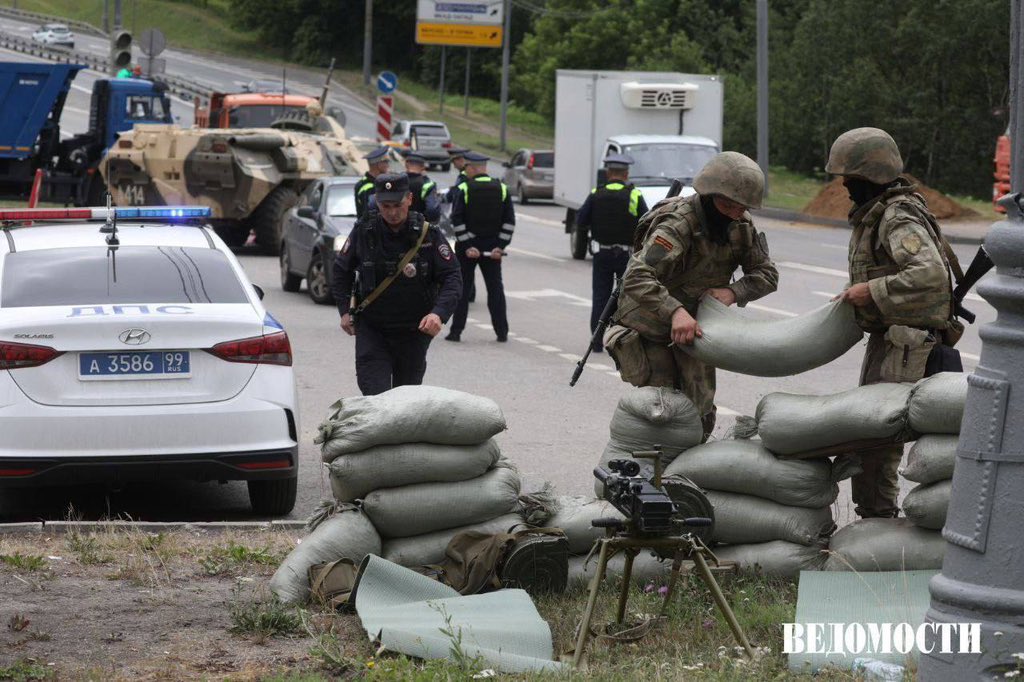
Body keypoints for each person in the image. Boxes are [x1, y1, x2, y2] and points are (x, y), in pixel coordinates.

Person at [827, 127, 958, 519]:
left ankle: (879, 517)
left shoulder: (896, 216)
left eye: (851, 177)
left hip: (906, 347)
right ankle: (877, 516)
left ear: (871, 175)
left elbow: (929, 274)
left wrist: (871, 290)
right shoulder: (882, 212)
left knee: (878, 437)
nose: (845, 185)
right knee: (872, 434)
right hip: (896, 341)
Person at [607, 151, 778, 439]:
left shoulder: (741, 226)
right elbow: (637, 276)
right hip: (652, 327)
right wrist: (675, 311)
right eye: (728, 205)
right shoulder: (677, 224)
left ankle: (686, 474)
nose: (736, 213)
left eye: (742, 207)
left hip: (697, 329)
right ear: (710, 196)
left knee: (700, 411)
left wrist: (732, 292)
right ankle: (651, 477)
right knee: (663, 410)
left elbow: (767, 276)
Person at [332, 173, 463, 395]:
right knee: (376, 397)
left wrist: (438, 314)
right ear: (377, 202)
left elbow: (452, 276)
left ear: (410, 199)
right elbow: (341, 271)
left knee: (405, 402)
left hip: (413, 332)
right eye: (385, 206)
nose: (392, 212)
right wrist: (345, 311)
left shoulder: (428, 235)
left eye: (398, 205)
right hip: (373, 330)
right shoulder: (364, 231)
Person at [575, 153, 649, 353]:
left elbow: (580, 221)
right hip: (625, 256)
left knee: (600, 296)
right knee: (625, 298)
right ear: (626, 174)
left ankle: (597, 341)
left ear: (608, 173)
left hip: (602, 254)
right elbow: (647, 222)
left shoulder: (595, 193)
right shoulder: (634, 195)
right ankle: (621, 341)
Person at [446, 151, 515, 343]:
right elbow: (509, 222)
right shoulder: (501, 189)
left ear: (473, 168)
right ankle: (502, 332)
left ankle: (456, 332)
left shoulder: (465, 188)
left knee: (462, 290)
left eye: (466, 167)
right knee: (495, 291)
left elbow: (457, 220)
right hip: (493, 250)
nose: (465, 170)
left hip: (468, 250)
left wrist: (468, 245)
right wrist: (500, 246)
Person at [354, 147, 392, 220]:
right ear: (378, 164)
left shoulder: (377, 183)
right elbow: (370, 214)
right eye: (386, 161)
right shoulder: (368, 187)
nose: (388, 165)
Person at [404, 152, 441, 222]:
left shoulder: (398, 180)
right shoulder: (427, 184)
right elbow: (432, 209)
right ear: (423, 167)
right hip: (418, 226)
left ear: (406, 165)